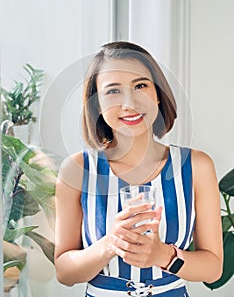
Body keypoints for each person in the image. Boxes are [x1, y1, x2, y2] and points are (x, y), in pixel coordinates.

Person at [54, 42, 223, 297]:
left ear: (158, 94)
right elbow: (64, 272)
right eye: (113, 91)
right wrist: (111, 243)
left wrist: (163, 256)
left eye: (141, 86)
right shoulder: (77, 170)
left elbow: (213, 268)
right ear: (97, 104)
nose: (129, 102)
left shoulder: (196, 166)